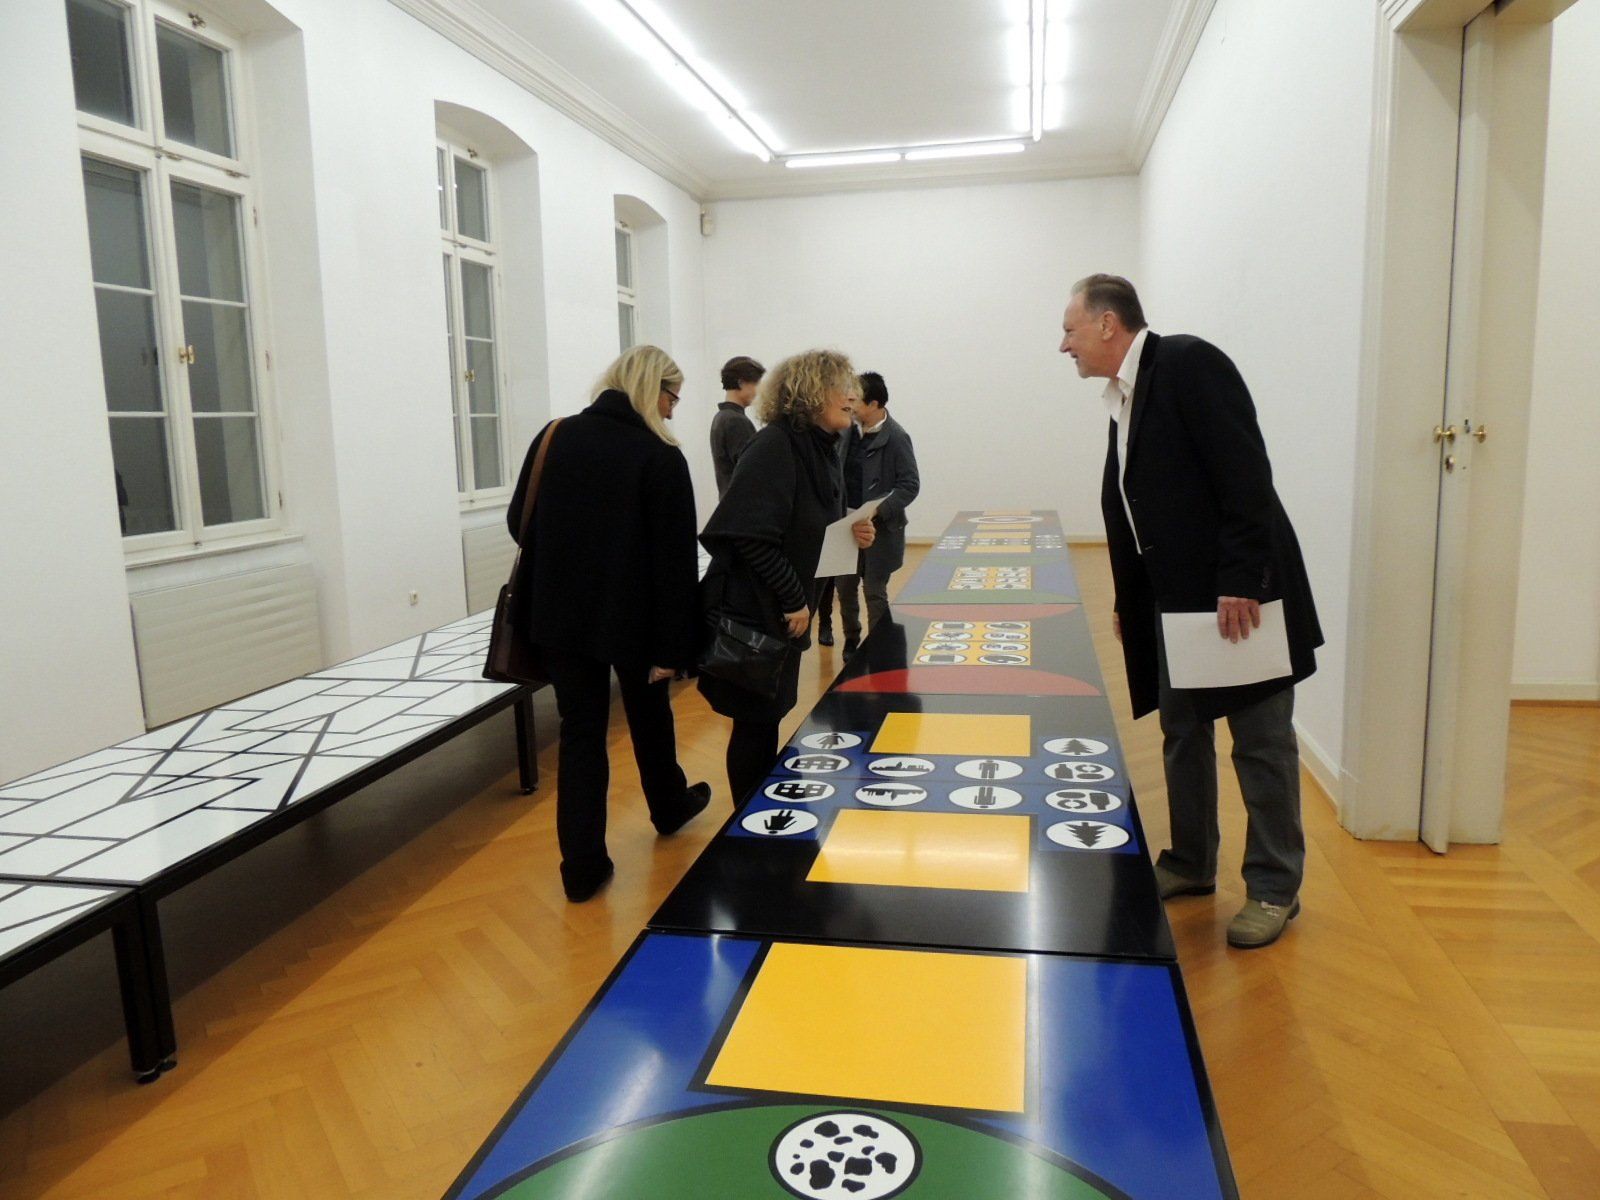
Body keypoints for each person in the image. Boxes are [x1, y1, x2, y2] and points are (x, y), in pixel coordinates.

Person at [1059, 274, 1323, 949]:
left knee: (1261, 742)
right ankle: (1190, 861)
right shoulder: (1124, 396)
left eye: (1070, 330)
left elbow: (1246, 476)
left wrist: (1242, 581)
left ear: (1108, 323)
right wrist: (1131, 599)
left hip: (1237, 600)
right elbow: (1137, 504)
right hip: (1175, 604)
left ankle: (1274, 886)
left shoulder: (1187, 363)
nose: (1064, 345)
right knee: (1182, 731)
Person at [506, 345, 710, 902]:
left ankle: (582, 866)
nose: (672, 410)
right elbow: (674, 564)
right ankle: (669, 806)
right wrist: (674, 647)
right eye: (672, 398)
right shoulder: (660, 456)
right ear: (653, 389)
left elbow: (518, 521)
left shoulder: (555, 436)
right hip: (635, 621)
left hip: (561, 617)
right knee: (650, 715)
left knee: (580, 734)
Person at [699, 350, 876, 806]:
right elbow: (748, 534)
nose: (852, 397)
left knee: (769, 717)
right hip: (760, 612)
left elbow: (807, 525)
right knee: (755, 723)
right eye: (842, 388)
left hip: (782, 614)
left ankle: (757, 815)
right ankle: (746, 823)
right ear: (811, 393)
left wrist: (853, 531)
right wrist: (795, 599)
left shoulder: (819, 447)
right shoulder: (775, 445)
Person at [835, 371, 920, 651]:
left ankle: (878, 647)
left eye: (854, 400)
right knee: (845, 588)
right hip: (845, 526)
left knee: (874, 590)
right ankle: (851, 639)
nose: (848, 405)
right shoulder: (845, 431)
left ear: (873, 404)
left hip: (880, 529)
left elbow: (910, 485)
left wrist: (877, 510)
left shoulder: (897, 437)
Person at [709, 355, 764, 498]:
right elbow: (751, 471)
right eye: (756, 385)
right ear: (741, 383)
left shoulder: (720, 417)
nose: (758, 391)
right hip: (741, 504)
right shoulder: (736, 421)